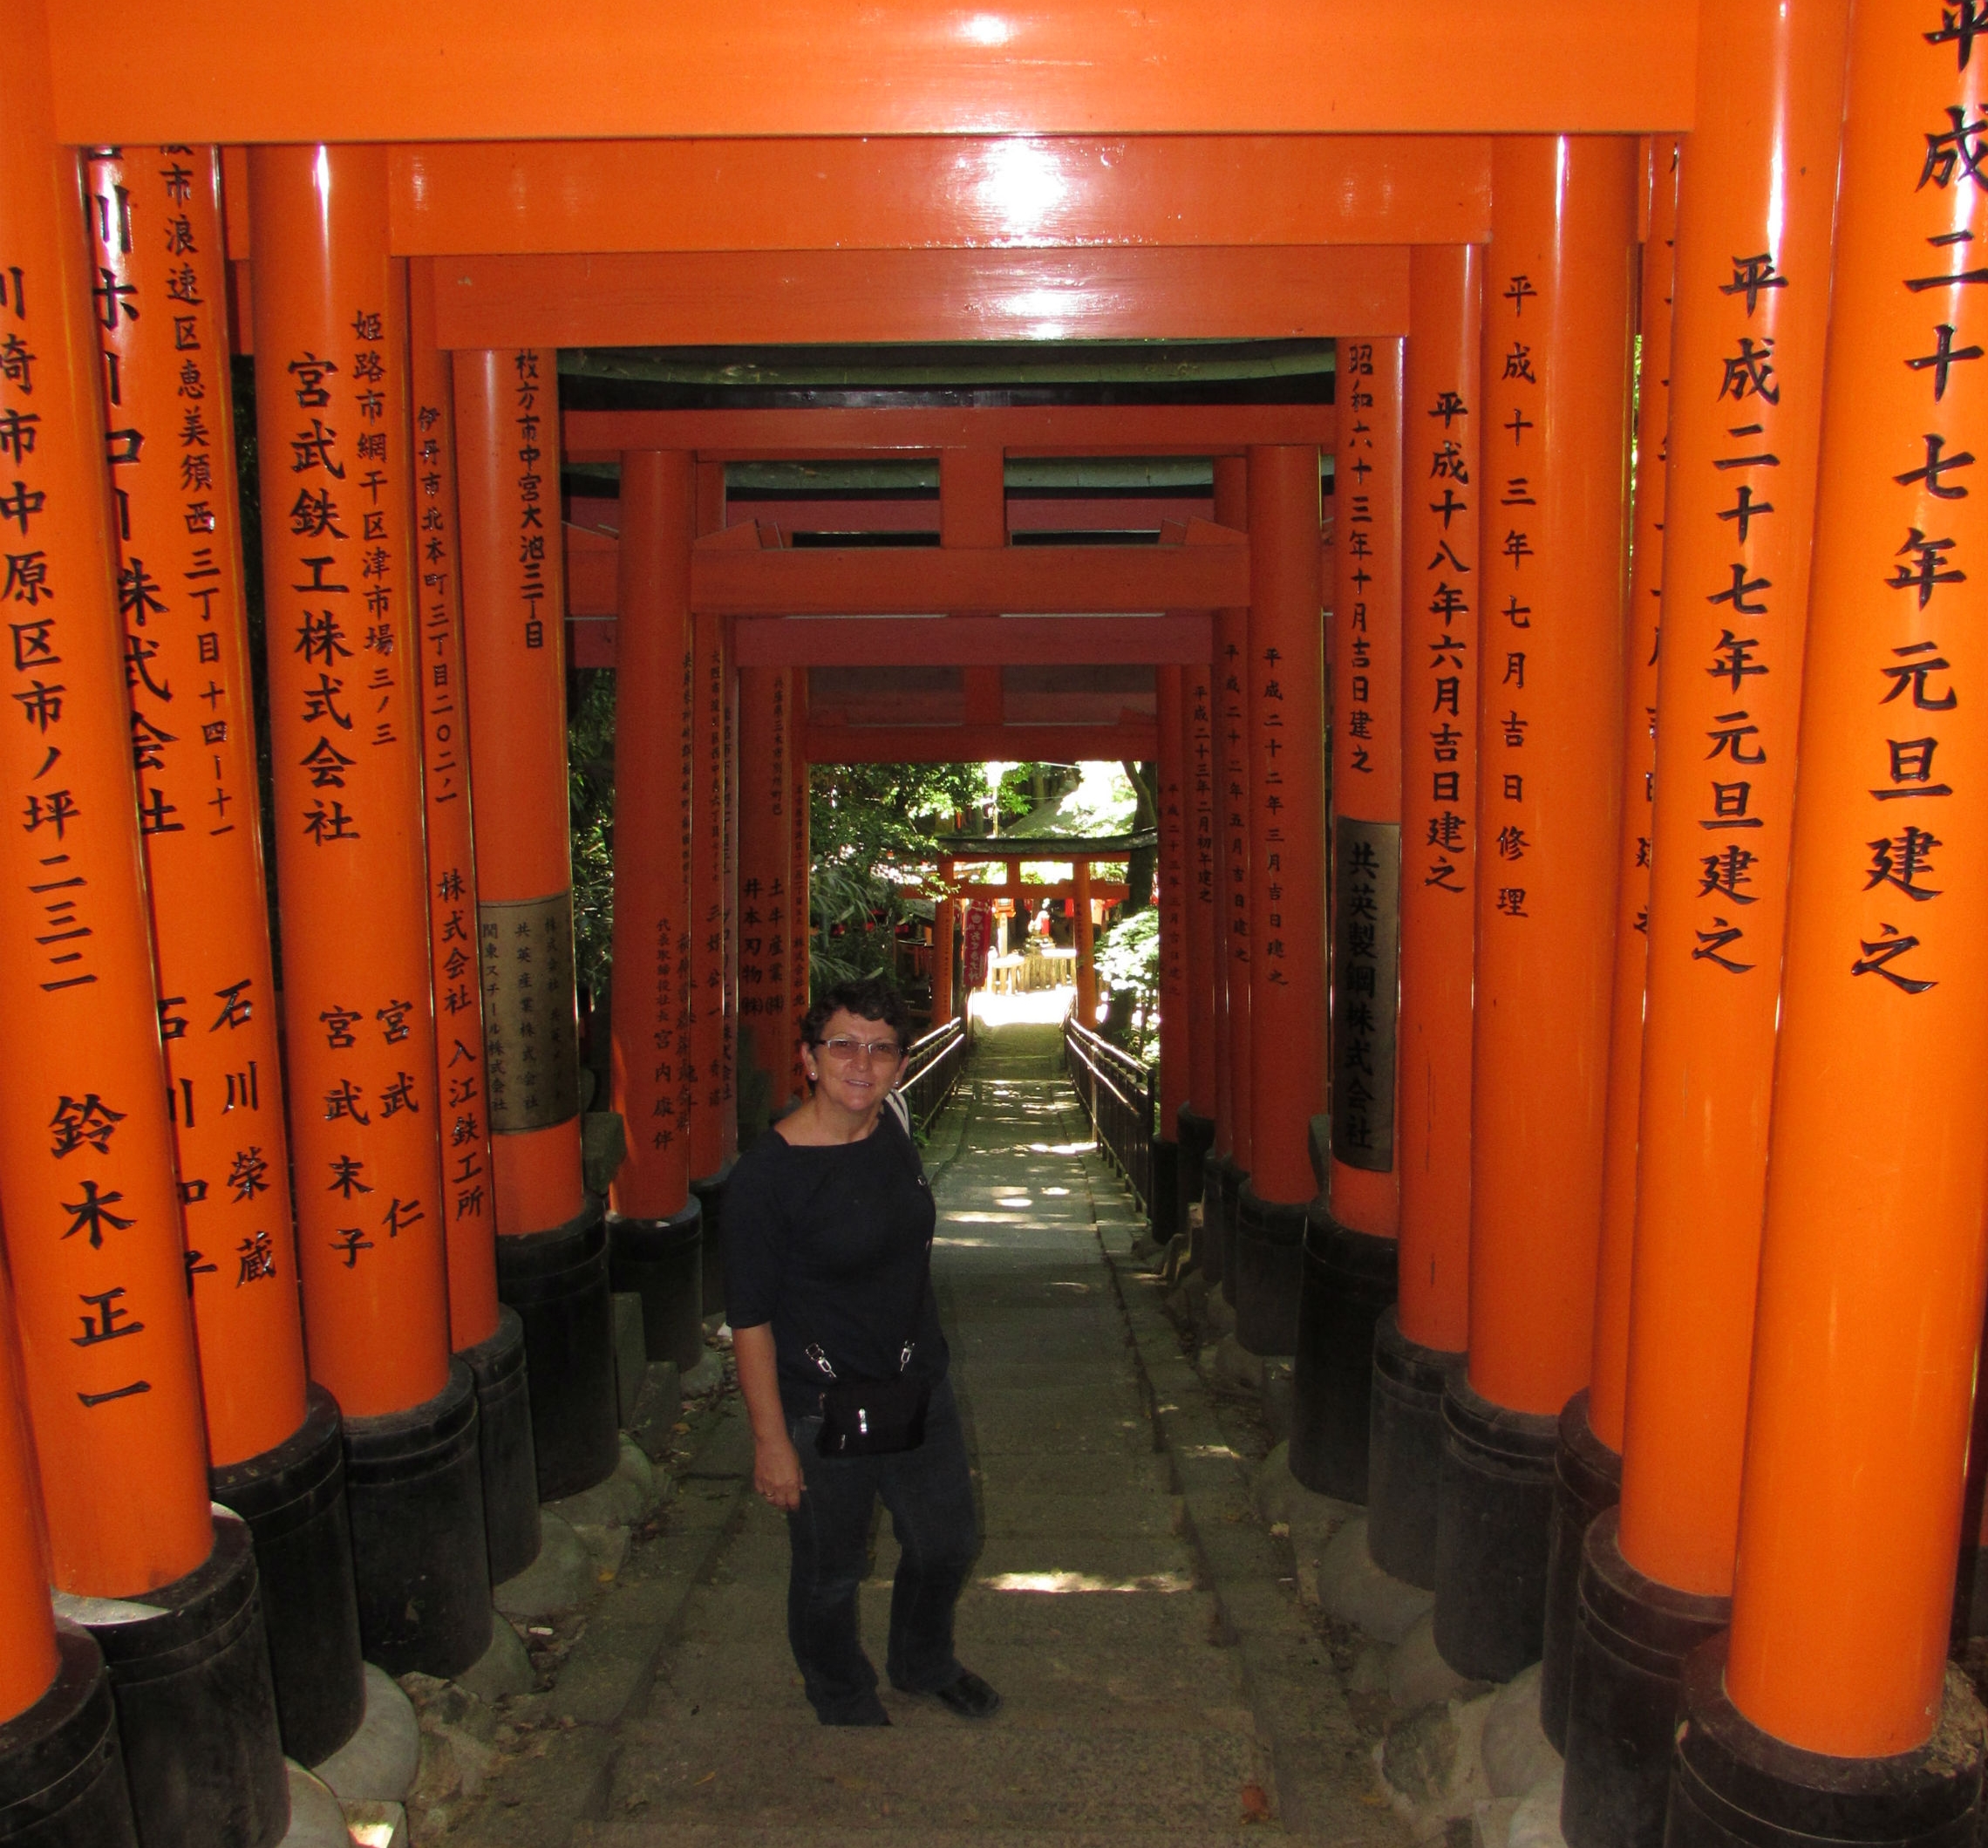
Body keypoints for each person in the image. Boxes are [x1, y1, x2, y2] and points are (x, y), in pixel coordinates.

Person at [725, 975, 1000, 1728]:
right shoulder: (767, 1177)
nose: (861, 1062)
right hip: (821, 1406)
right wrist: (771, 1441)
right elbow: (748, 1320)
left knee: (946, 1545)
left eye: (881, 1048)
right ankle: (839, 1686)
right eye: (842, 1044)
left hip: (916, 1386)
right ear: (809, 1060)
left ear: (901, 1063)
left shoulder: (892, 1129)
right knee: (830, 1570)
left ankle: (922, 1660)